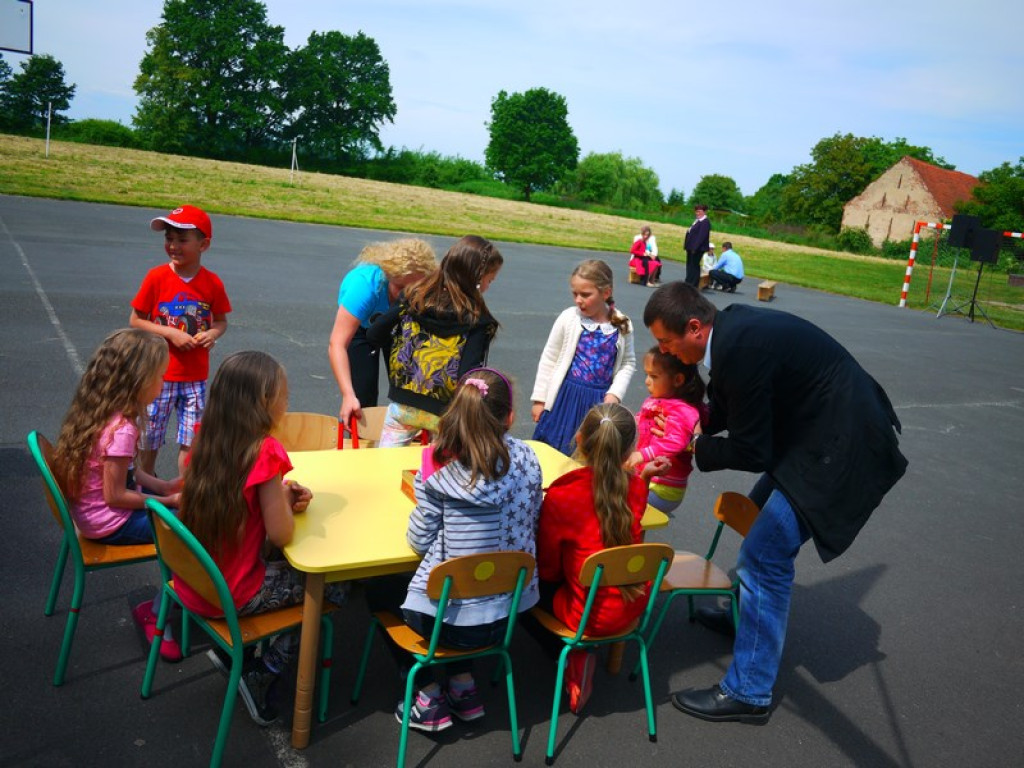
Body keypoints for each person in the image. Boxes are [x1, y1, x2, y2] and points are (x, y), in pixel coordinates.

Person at [642, 282, 908, 725]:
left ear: (694, 327)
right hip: (813, 430)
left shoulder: (741, 348)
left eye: (667, 342)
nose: (666, 352)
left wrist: (695, 447)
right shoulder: (730, 334)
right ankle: (746, 615)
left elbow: (753, 451)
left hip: (841, 442)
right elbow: (731, 403)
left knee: (765, 553)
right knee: (756, 521)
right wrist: (692, 417)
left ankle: (749, 691)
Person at [176, 350, 347, 726]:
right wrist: (285, 503)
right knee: (332, 586)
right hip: (232, 592)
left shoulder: (205, 439)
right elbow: (281, 533)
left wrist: (278, 498)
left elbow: (240, 503)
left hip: (195, 584)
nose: (288, 403)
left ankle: (233, 652)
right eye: (284, 396)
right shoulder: (265, 452)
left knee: (290, 570)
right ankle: (263, 671)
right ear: (263, 405)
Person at [367, 368, 543, 733]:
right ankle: (463, 686)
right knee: (465, 591)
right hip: (510, 615)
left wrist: (427, 481)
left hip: (451, 629)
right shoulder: (529, 461)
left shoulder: (442, 478)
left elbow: (417, 540)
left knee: (379, 586)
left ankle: (427, 693)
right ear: (509, 417)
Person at [52, 328, 185, 661]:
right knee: (192, 535)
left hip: (92, 514)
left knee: (184, 519)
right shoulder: (122, 429)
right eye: (160, 376)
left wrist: (163, 485)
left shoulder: (100, 414)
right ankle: (156, 613)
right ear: (138, 382)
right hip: (111, 522)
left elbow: (125, 472)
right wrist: (166, 503)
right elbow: (116, 496)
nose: (164, 382)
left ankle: (171, 603)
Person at [534, 402, 665, 714]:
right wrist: (643, 476)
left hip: (585, 616)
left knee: (525, 592)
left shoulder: (564, 493)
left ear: (579, 439)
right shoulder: (634, 487)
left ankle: (574, 655)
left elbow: (549, 569)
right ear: (629, 450)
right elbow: (629, 504)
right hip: (632, 604)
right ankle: (584, 653)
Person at [366, 235, 502, 447]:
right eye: (489, 280)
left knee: (387, 464)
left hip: (403, 404)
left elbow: (374, 333)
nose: (488, 286)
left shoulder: (413, 298)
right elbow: (467, 373)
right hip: (444, 414)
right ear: (476, 278)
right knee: (440, 474)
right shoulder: (477, 321)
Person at [130, 204, 231, 477]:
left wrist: (212, 334)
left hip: (195, 377)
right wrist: (171, 333)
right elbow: (136, 320)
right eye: (168, 238)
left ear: (203, 245)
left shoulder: (212, 283)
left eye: (182, 239)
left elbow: (221, 321)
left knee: (191, 441)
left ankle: (182, 492)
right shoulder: (156, 277)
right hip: (158, 376)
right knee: (149, 439)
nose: (173, 245)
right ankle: (146, 485)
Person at [327, 238, 438, 425]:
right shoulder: (365, 286)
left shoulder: (427, 285)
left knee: (411, 390)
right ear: (388, 276)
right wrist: (348, 395)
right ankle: (359, 442)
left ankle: (410, 436)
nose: (407, 294)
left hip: (397, 325)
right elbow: (337, 344)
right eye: (400, 287)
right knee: (362, 399)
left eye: (415, 288)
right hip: (361, 330)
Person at [531, 259, 636, 455]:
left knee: (588, 456)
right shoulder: (569, 318)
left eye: (585, 295)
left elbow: (628, 363)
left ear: (606, 293)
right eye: (575, 294)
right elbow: (549, 358)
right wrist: (539, 399)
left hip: (598, 402)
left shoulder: (622, 325)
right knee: (553, 450)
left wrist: (615, 394)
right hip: (565, 398)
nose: (578, 300)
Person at [627, 346, 707, 513]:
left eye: (654, 376)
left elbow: (676, 441)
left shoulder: (682, 410)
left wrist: (642, 455)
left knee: (621, 505)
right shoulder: (660, 400)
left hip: (662, 487)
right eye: (647, 375)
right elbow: (643, 421)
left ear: (678, 380)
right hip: (652, 479)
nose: (647, 381)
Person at [684, 204, 712, 287]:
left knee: (694, 265)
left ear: (704, 212)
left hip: (697, 248)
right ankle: (689, 281)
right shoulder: (697, 221)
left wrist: (695, 248)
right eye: (696, 211)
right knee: (690, 264)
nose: (697, 213)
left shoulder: (705, 222)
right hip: (691, 247)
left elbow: (701, 237)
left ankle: (692, 283)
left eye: (699, 211)